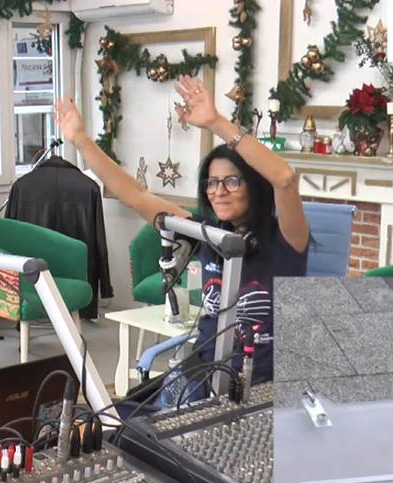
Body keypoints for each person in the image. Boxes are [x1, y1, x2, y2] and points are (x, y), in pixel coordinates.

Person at [55, 75, 310, 386]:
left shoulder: (287, 240)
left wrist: (216, 122)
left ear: (255, 186)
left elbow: (284, 178)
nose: (219, 192)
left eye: (232, 181)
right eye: (212, 183)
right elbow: (136, 196)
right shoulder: (209, 234)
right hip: (203, 374)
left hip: (261, 386)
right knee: (120, 415)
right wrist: (80, 139)